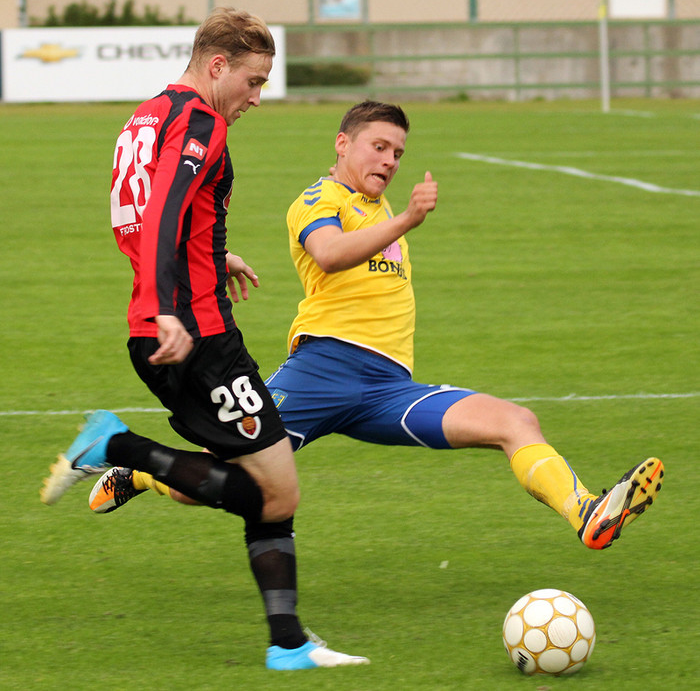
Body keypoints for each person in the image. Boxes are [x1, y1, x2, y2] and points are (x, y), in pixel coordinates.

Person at [88, 101, 664, 555]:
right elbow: (330, 252)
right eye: (378, 147)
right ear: (343, 144)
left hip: (388, 388)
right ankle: (140, 473)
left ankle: (586, 512)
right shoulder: (319, 198)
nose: (389, 161)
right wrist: (409, 218)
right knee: (231, 481)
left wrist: (397, 217)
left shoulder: (379, 210)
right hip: (321, 373)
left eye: (398, 153)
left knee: (516, 421)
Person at [39, 8, 369, 671]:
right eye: (253, 81)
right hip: (196, 337)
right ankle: (116, 446)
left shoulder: (146, 116)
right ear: (218, 66)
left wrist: (213, 259)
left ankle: (287, 645)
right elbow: (163, 211)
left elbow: (139, 220)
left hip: (160, 328)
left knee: (265, 490)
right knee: (276, 493)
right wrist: (170, 306)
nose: (256, 98)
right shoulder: (200, 121)